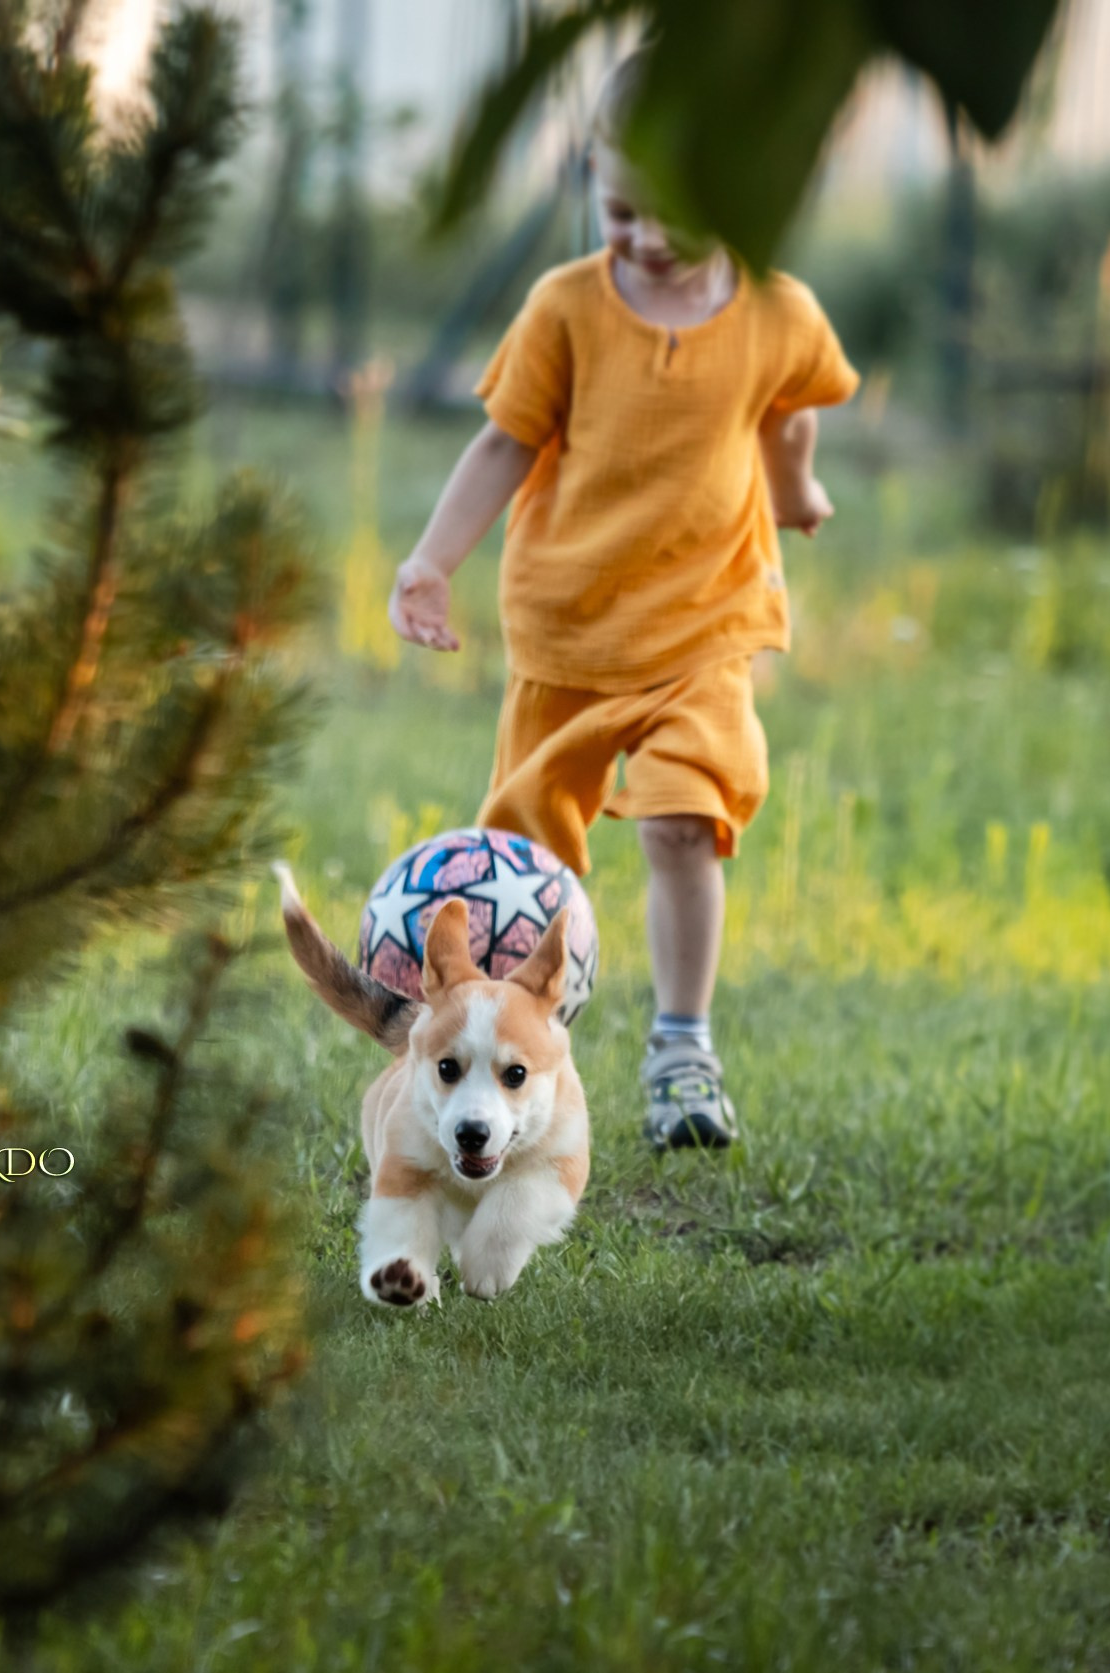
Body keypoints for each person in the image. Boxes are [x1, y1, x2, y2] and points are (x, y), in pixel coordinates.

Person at [386, 49, 859, 1152]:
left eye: (674, 219)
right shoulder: (564, 308)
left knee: (686, 821)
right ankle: (494, 1079)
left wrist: (794, 490)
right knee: (522, 872)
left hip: (705, 624)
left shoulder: (778, 312)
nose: (643, 239)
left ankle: (680, 1046)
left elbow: (791, 408)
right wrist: (429, 560)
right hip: (566, 628)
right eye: (618, 209)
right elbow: (504, 442)